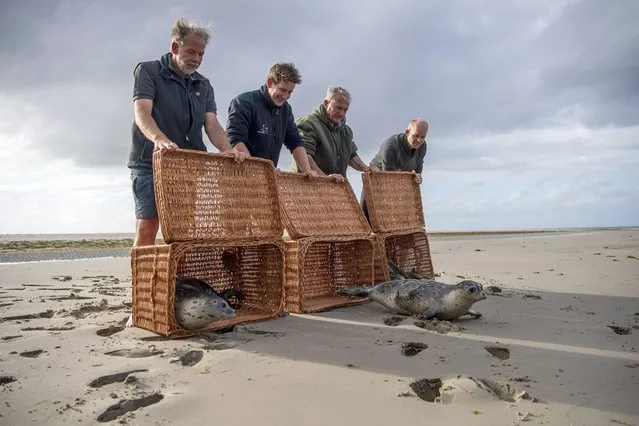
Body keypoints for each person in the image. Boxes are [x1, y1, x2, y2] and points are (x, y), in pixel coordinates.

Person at [127, 18, 248, 247]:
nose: (197, 59)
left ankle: (176, 281)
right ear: (175, 47)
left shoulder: (203, 84)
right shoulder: (148, 71)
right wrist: (160, 140)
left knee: (184, 228)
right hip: (149, 163)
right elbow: (142, 112)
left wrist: (228, 149)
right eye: (192, 52)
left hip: (189, 165)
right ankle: (140, 283)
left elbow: (212, 124)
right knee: (148, 225)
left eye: (201, 54)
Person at [225, 62, 318, 178]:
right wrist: (257, 170)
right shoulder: (243, 102)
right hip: (239, 175)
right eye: (282, 90)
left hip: (266, 177)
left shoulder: (286, 110)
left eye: (290, 92)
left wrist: (307, 170)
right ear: (269, 82)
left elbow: (295, 142)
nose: (285, 96)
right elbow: (235, 138)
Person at [291, 86, 371, 182]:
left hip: (334, 188)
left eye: (345, 110)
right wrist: (325, 179)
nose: (341, 113)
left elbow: (352, 156)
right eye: (338, 108)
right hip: (306, 186)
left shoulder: (346, 132)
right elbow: (304, 155)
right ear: (326, 103)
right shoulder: (308, 124)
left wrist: (367, 169)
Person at [360, 118, 429, 221]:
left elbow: (417, 173)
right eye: (416, 136)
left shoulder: (423, 147)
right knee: (367, 217)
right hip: (376, 178)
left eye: (422, 137)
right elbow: (388, 178)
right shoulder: (391, 145)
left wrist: (417, 178)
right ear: (407, 132)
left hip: (399, 182)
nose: (419, 140)